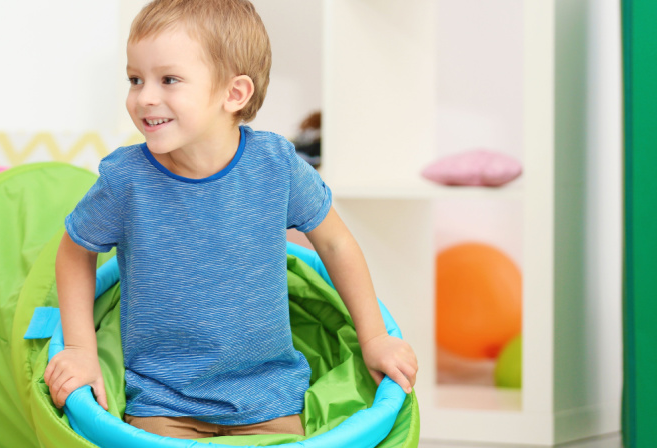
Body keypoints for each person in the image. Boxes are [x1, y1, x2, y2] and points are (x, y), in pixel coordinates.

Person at [44, 0, 418, 439]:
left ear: (234, 93)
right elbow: (75, 251)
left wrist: (374, 338)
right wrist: (80, 349)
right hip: (164, 399)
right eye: (135, 79)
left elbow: (335, 244)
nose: (144, 96)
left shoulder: (276, 165)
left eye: (169, 79)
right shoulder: (126, 180)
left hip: (268, 394)